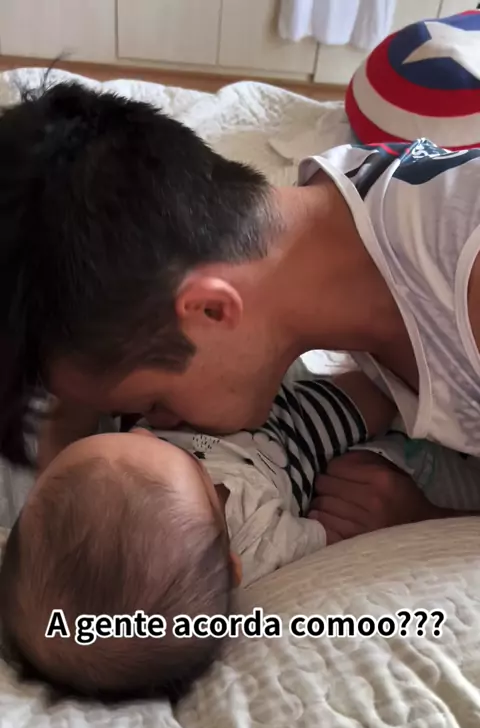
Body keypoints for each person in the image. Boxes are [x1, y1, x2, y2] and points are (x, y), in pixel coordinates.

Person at [1, 81, 480, 538]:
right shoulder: (340, 220)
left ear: (211, 310)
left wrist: (427, 520)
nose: (156, 429)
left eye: (151, 405)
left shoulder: (464, 280)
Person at [0, 371, 394, 702]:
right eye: (177, 459)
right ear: (231, 568)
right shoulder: (261, 545)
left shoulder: (130, 477)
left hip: (192, 403)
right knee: (380, 392)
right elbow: (338, 532)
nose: (144, 436)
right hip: (299, 436)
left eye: (127, 437)